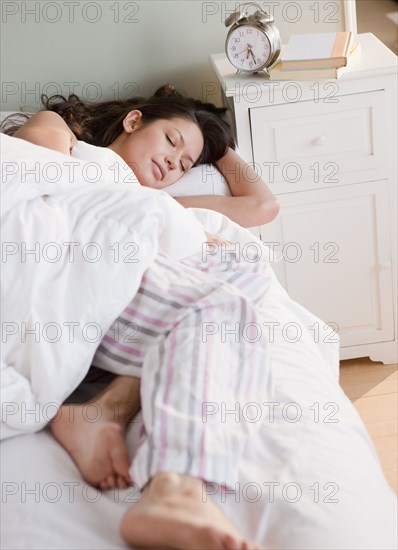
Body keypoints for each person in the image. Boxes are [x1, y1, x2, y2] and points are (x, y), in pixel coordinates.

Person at [4, 87, 281, 550]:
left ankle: (106, 403)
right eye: (172, 141)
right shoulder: (76, 144)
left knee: (244, 266)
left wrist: (217, 145)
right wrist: (148, 210)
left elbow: (262, 206)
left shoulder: (158, 203)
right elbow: (39, 160)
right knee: (218, 307)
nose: (176, 164)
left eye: (186, 164)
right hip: (60, 250)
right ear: (133, 121)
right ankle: (174, 487)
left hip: (117, 271)